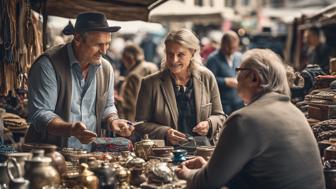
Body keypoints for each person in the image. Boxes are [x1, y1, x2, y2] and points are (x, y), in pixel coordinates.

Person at [176, 49, 325, 189]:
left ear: (253, 78)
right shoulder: (294, 112)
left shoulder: (244, 119)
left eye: (238, 71)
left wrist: (186, 173)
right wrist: (209, 168)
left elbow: (207, 183)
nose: (236, 78)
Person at [25, 12, 134, 151]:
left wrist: (113, 120)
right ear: (77, 39)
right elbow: (41, 114)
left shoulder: (106, 69)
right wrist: (70, 129)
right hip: (49, 155)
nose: (104, 51)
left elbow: (108, 105)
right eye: (99, 44)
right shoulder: (48, 65)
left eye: (107, 44)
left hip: (90, 155)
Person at [135, 29, 226, 145]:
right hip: (164, 155)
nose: (174, 60)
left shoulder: (207, 77)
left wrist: (209, 124)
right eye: (170, 54)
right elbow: (139, 124)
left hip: (201, 152)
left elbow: (220, 116)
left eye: (180, 54)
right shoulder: (150, 83)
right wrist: (165, 132)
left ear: (192, 53)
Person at [116, 44, 158, 121]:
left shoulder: (133, 76)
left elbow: (130, 105)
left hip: (136, 121)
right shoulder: (152, 66)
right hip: (153, 117)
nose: (124, 64)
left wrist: (117, 100)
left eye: (124, 60)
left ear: (130, 59)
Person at [206, 31, 244, 115]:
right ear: (222, 44)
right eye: (229, 47)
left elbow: (241, 72)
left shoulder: (239, 57)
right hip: (222, 103)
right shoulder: (213, 59)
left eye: (234, 48)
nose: (231, 50)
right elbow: (208, 80)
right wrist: (225, 81)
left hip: (238, 101)